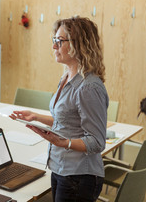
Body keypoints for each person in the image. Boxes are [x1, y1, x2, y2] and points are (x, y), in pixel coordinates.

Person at [10, 16, 109, 202]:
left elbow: (96, 142)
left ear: (78, 44)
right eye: (54, 41)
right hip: (60, 167)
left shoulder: (89, 87)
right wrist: (36, 117)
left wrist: (62, 142)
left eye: (59, 41)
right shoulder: (66, 77)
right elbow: (69, 122)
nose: (54, 46)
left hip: (80, 175)